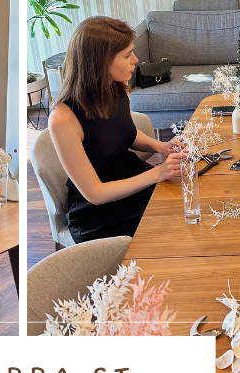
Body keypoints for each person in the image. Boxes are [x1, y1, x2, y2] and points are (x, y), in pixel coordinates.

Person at [48, 16, 184, 244]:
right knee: (171, 227)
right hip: (98, 213)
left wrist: (160, 146)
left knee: (186, 201)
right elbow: (95, 193)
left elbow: (123, 132)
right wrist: (157, 173)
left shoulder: (117, 87)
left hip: (130, 178)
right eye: (127, 54)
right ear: (101, 62)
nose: (136, 60)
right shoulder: (63, 119)